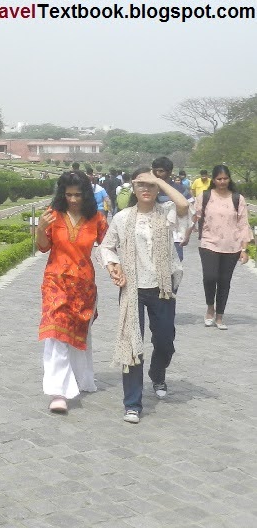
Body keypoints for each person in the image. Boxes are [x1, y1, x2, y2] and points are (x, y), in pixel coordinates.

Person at [100, 167, 191, 425]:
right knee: (132, 345)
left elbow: (183, 204)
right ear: (133, 187)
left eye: (150, 185)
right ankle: (132, 403)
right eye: (141, 184)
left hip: (162, 288)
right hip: (132, 289)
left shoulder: (167, 215)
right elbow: (107, 247)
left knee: (164, 342)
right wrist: (113, 266)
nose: (146, 189)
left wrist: (160, 181)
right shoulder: (122, 218)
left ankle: (157, 372)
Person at [36, 172, 108, 414]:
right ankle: (58, 392)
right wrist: (40, 228)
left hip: (84, 285)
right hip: (55, 282)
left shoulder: (96, 219)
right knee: (55, 333)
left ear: (86, 194)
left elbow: (110, 246)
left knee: (79, 333)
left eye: (77, 195)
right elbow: (43, 247)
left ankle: (82, 378)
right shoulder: (52, 215)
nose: (73, 199)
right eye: (68, 195)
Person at [192, 165, 251, 329]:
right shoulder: (205, 196)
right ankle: (210, 308)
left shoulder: (237, 199)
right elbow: (193, 217)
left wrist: (244, 250)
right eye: (219, 179)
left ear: (229, 179)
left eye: (225, 178)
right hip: (208, 243)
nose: (222, 181)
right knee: (210, 277)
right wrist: (184, 235)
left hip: (232, 246)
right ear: (213, 179)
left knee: (225, 281)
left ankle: (219, 316)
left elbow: (243, 225)